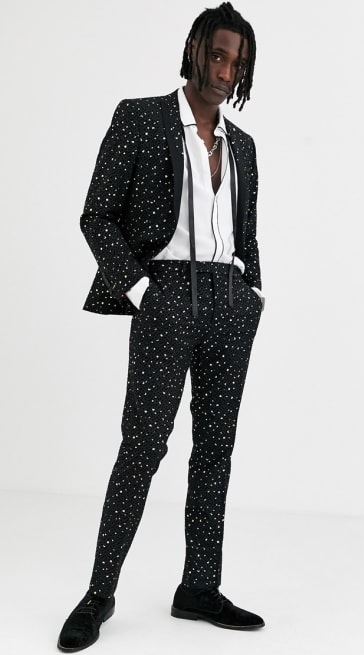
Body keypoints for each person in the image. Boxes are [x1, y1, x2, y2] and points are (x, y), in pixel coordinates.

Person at [57, 3, 265, 651]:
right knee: (142, 447)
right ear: (194, 49)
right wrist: (143, 290)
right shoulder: (140, 119)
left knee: (215, 449)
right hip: (166, 296)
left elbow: (246, 232)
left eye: (237, 63)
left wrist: (251, 292)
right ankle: (98, 593)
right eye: (218, 55)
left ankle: (198, 586)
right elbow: (96, 215)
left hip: (229, 304)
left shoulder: (243, 146)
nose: (225, 72)